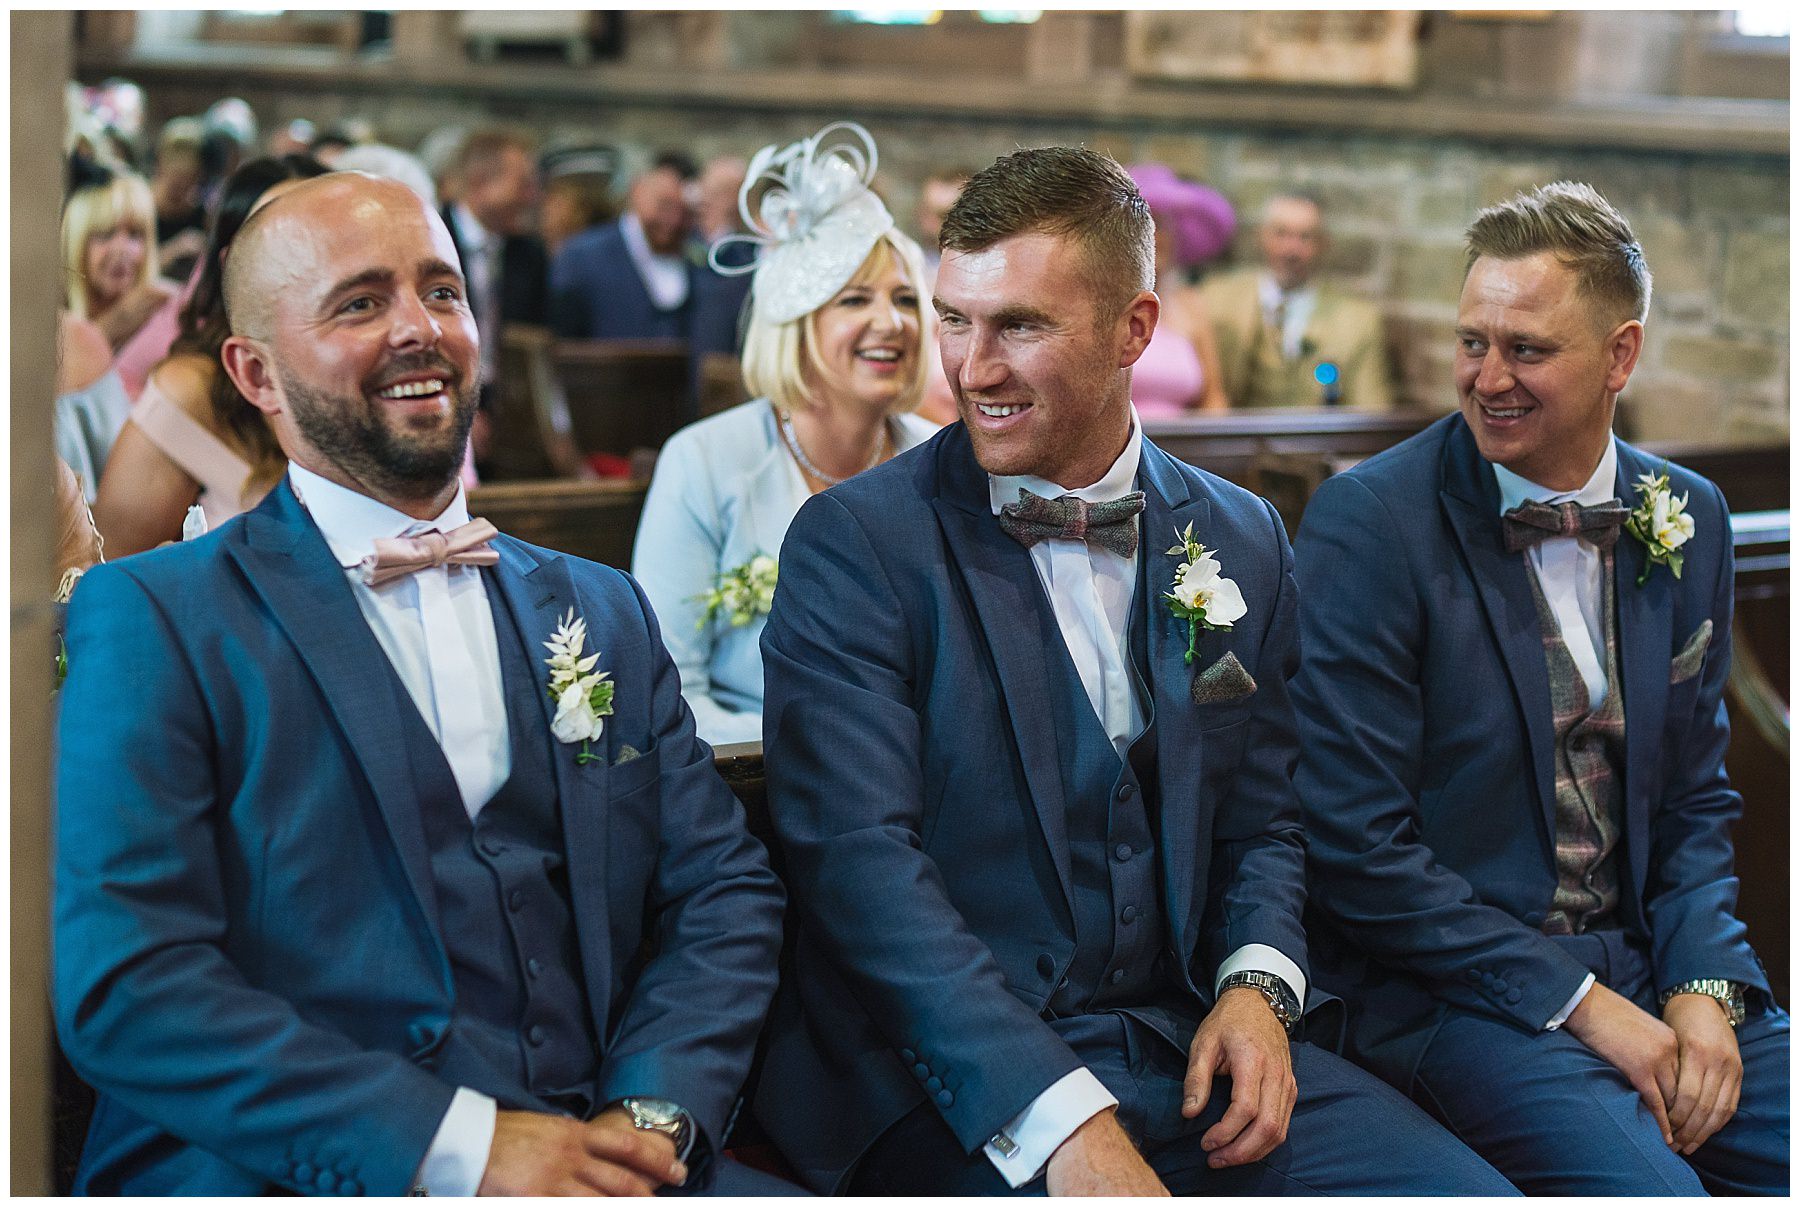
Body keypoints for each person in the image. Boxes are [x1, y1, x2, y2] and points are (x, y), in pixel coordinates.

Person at [754, 145, 1512, 1196]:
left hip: (1185, 1038)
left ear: (1135, 330)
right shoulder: (856, 544)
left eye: (1019, 324)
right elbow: (861, 870)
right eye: (956, 318)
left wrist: (1256, 987)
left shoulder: (1241, 535)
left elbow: (1266, 817)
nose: (969, 369)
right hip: (943, 1075)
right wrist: (1057, 1118)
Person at [54, 171, 789, 1196]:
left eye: (441, 292)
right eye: (361, 303)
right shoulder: (158, 618)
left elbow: (722, 890)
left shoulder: (601, 608)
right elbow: (130, 986)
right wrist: (463, 1148)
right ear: (256, 373)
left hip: (600, 1148)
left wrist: (652, 1112)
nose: (421, 328)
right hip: (294, 1169)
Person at [1290, 181, 1789, 1195]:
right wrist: (1584, 1003)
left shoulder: (1680, 513)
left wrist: (1702, 983)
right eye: (1473, 342)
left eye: (1528, 349)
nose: (1488, 377)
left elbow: (1695, 802)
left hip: (1655, 964)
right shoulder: (1372, 523)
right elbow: (1358, 851)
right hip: (1461, 995)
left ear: (1620, 355)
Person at [633, 122, 938, 747]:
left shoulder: (942, 462)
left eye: (906, 299)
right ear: (795, 323)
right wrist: (815, 747)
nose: (892, 323)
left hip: (926, 774)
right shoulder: (705, 461)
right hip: (752, 776)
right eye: (855, 300)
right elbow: (669, 686)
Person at [93, 155, 327, 557]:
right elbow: (102, 570)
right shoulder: (192, 391)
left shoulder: (366, 374)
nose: (308, 262)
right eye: (281, 242)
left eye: (323, 237)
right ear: (231, 264)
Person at [1201, 190, 1393, 410]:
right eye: (1281, 234)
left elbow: (1372, 411)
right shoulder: (1216, 300)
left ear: (1323, 244)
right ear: (1261, 236)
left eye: (1305, 237)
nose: (1291, 250)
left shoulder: (1358, 321)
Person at [440, 127, 549, 395]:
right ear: (480, 183)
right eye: (523, 185)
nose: (532, 198)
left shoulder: (529, 254)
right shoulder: (433, 239)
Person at [1127, 163, 1235, 415]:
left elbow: (1213, 397)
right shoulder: (1105, 306)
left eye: (1161, 225)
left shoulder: (1191, 306)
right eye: (1144, 226)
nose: (1154, 237)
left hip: (1183, 447)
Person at [61, 164, 174, 354]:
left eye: (135, 235)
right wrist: (109, 327)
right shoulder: (47, 318)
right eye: (105, 234)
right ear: (75, 243)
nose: (122, 250)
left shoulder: (167, 310)